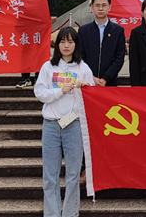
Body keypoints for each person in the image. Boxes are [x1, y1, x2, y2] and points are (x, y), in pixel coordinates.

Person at [34, 26, 94, 217]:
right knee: (50, 175)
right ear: (57, 44)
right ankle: (52, 213)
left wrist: (86, 87)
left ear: (76, 44)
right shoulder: (48, 67)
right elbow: (39, 93)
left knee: (73, 175)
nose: (66, 45)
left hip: (74, 124)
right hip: (51, 124)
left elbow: (93, 96)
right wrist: (60, 91)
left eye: (70, 41)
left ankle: (70, 213)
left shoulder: (83, 68)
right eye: (62, 41)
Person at [79, 0, 126, 86]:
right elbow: (80, 56)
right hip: (88, 82)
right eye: (97, 5)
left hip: (110, 82)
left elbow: (119, 58)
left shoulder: (118, 31)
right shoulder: (83, 31)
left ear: (109, 7)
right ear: (92, 8)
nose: (100, 8)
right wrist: (91, 77)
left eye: (104, 5)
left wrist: (106, 78)